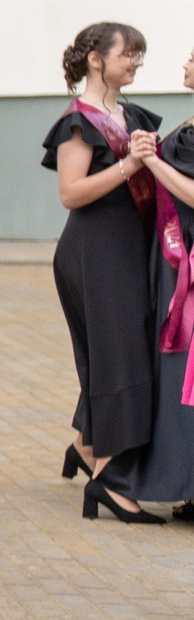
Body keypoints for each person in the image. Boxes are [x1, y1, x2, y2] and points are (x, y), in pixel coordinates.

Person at [45, 20, 163, 520]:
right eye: (127, 54)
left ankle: (86, 443)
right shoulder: (80, 121)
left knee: (121, 349)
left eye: (139, 55)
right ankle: (111, 480)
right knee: (119, 357)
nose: (135, 62)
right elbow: (71, 194)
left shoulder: (130, 113)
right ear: (97, 60)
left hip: (126, 249)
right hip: (93, 251)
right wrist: (127, 168)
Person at [104, 42, 194, 515]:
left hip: (188, 272)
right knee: (176, 379)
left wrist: (154, 161)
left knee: (184, 378)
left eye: (193, 59)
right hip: (173, 263)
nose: (185, 64)